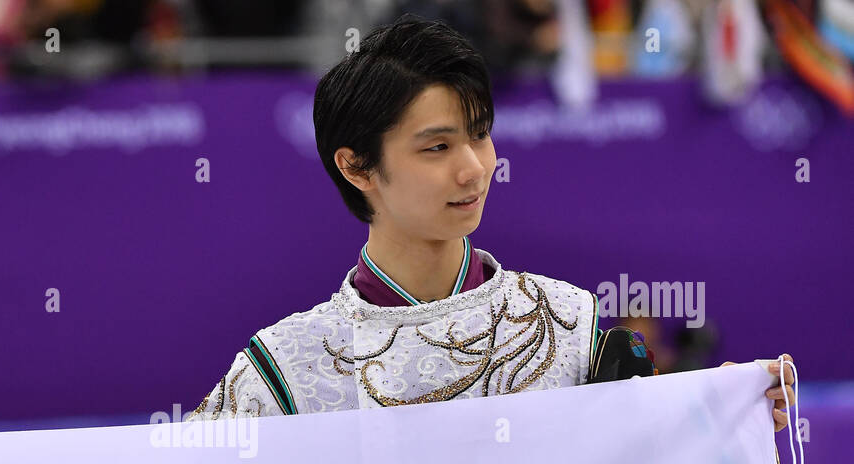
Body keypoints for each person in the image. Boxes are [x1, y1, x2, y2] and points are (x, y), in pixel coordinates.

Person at [186, 16, 796, 426]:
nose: (474, 169)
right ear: (357, 167)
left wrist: (724, 416)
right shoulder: (288, 369)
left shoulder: (564, 325)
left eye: (479, 137)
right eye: (437, 147)